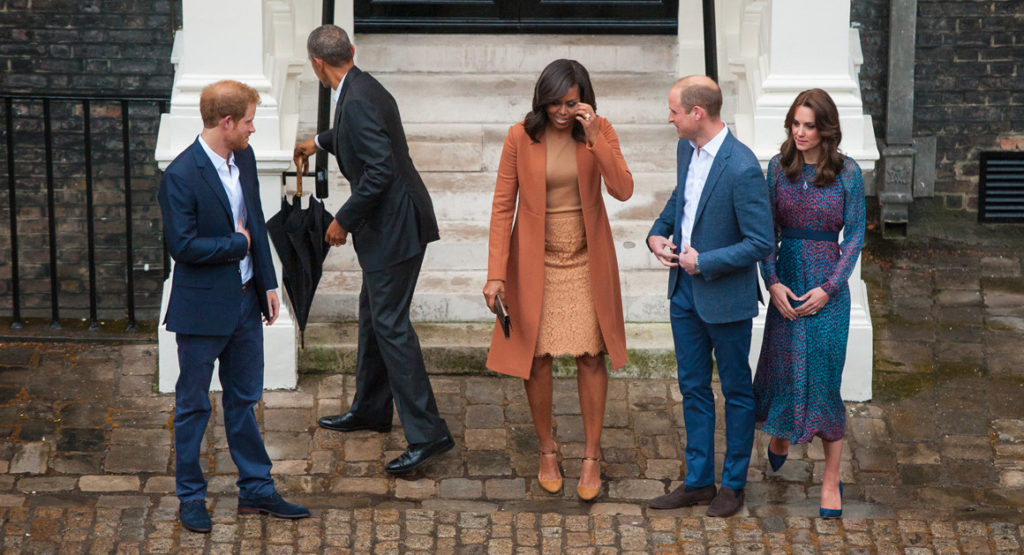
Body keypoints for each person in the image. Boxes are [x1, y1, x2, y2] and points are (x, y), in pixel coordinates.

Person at [293, 25, 453, 475]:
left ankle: (428, 433)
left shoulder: (357, 97)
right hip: (395, 225)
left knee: (390, 325)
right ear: (351, 52)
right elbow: (355, 130)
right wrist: (319, 142)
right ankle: (370, 408)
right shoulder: (361, 85)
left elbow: (379, 173)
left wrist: (344, 219)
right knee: (374, 315)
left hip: (395, 230)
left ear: (316, 64)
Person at [159, 80, 309, 533]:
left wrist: (268, 282)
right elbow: (182, 245)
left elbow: (256, 225)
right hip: (202, 312)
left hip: (246, 305)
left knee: (244, 400)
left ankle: (256, 490)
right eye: (248, 121)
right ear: (227, 123)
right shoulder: (180, 175)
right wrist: (236, 244)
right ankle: (190, 497)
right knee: (193, 407)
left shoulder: (242, 157)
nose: (253, 129)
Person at [482, 59, 634, 502]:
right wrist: (495, 273)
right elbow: (501, 207)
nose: (562, 112)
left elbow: (623, 189)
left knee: (590, 355)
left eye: (571, 103)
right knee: (538, 357)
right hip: (536, 259)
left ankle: (591, 453)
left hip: (587, 257)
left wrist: (594, 140)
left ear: (584, 100)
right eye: (555, 104)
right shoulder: (519, 136)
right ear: (542, 102)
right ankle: (547, 449)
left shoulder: (600, 130)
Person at [645, 76, 774, 517]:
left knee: (737, 391)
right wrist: (657, 234)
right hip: (683, 296)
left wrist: (707, 262)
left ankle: (733, 485)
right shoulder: (686, 149)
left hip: (725, 299)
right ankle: (698, 481)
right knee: (692, 387)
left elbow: (761, 242)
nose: (670, 118)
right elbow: (683, 200)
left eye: (674, 111)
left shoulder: (742, 168)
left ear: (697, 113)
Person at [753, 88, 865, 519]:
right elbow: (766, 232)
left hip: (827, 290)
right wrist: (773, 282)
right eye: (796, 124)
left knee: (823, 384)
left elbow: (854, 235)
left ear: (825, 129)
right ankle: (781, 434)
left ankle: (831, 479)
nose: (800, 132)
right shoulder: (778, 170)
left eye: (809, 125)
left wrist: (830, 288)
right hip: (788, 282)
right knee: (782, 373)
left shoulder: (848, 173)